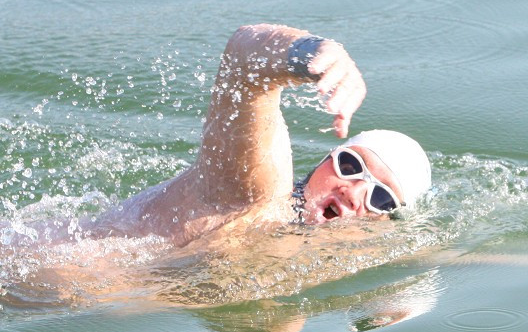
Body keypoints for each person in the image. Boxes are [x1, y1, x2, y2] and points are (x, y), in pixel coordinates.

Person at [84, 23, 431, 246]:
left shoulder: (291, 249)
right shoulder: (258, 194)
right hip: (38, 288)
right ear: (325, 160)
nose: (353, 191)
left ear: (387, 221)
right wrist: (313, 53)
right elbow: (244, 59)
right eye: (351, 165)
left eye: (380, 197)